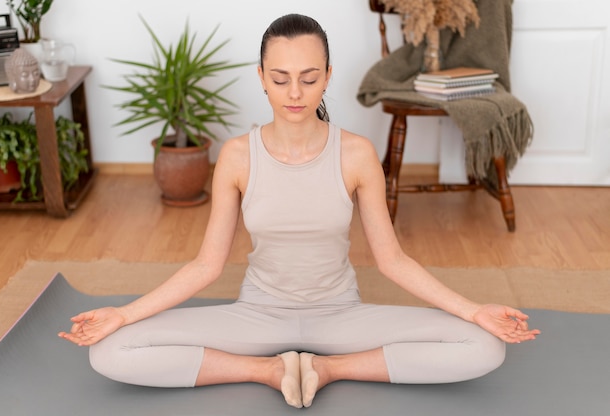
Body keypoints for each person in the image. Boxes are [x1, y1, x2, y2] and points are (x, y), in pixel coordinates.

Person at [59, 14, 540, 409]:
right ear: (261, 78)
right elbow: (207, 265)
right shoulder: (237, 156)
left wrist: (474, 312)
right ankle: (267, 370)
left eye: (309, 78)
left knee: (484, 346)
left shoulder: (355, 154)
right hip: (257, 316)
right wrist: (123, 315)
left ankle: (327, 368)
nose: (294, 93)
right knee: (109, 351)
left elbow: (392, 261)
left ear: (327, 76)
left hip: (340, 316)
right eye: (280, 79)